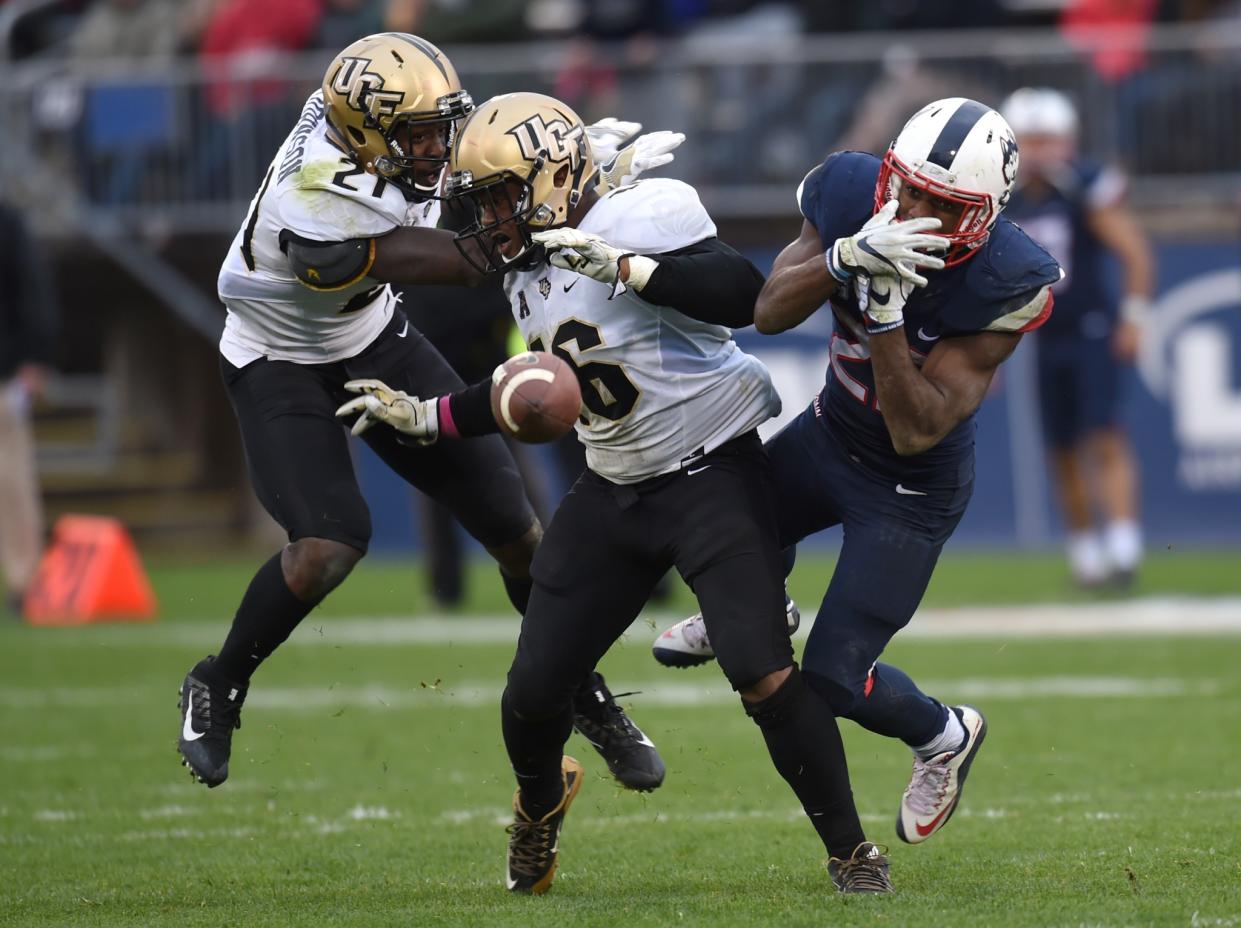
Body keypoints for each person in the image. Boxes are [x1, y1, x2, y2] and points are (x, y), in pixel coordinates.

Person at [341, 91, 892, 896]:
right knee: (532, 692)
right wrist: (432, 415)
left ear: (554, 174)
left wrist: (632, 265)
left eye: (500, 194)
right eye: (482, 200)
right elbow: (536, 385)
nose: (490, 216)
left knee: (761, 672)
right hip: (612, 487)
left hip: (711, 473)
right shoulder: (523, 266)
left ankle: (851, 852)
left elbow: (741, 293)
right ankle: (537, 808)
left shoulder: (643, 212)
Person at [175, 34, 677, 796]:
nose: (435, 146)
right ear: (369, 131)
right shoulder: (311, 201)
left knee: (519, 535)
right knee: (327, 546)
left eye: (436, 128)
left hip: (370, 336)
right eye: (416, 134)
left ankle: (580, 689)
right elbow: (462, 259)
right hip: (278, 358)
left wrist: (567, 169)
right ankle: (219, 682)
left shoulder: (355, 127)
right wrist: (565, 207)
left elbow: (471, 178)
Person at [653, 98, 1062, 845]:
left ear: (985, 215)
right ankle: (760, 602)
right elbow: (768, 312)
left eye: (942, 206)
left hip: (910, 489)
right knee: (709, 524)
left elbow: (915, 432)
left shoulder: (1008, 276)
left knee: (834, 680)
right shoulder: (849, 191)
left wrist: (882, 318)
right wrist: (841, 258)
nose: (912, 210)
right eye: (906, 188)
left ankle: (942, 734)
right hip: (827, 432)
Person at [1000, 87, 1152, 589]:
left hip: (1091, 328)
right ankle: (1086, 555)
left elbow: (1134, 253)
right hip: (1044, 336)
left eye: (1046, 139)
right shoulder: (1007, 199)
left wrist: (1131, 317)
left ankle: (1123, 548)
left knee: (1104, 434)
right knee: (1061, 447)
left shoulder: (1085, 187)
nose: (1038, 151)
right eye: (1029, 140)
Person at [0, 198, 59, 618]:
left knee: (11, 483)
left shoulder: (7, 221)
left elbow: (31, 287)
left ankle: (24, 581)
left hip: (3, 373)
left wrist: (34, 359)